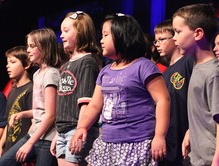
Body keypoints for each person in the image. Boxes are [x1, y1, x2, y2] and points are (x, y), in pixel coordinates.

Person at [69, 13, 170, 165]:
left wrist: (160, 136)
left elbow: (163, 100)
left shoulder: (143, 66)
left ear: (122, 35)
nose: (101, 41)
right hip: (107, 142)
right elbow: (95, 105)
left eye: (105, 35)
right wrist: (82, 127)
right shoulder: (106, 71)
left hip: (137, 142)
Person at [0, 28, 61, 166]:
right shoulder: (37, 74)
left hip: (46, 139)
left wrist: (30, 142)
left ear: (44, 47)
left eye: (31, 46)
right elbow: (40, 110)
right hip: (35, 134)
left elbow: (50, 115)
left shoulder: (51, 74)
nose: (28, 50)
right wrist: (21, 114)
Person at [50, 11, 102, 166]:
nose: (61, 35)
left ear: (80, 32)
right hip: (63, 131)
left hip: (77, 128)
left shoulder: (87, 62)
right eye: (61, 31)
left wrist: (80, 130)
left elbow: (86, 102)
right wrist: (57, 135)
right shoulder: (67, 64)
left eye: (66, 31)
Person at [172, 3, 219, 165]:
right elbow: (203, 111)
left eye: (178, 32)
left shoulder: (213, 73)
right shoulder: (196, 66)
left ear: (198, 33)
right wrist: (190, 131)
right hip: (196, 157)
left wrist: (216, 161)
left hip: (209, 159)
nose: (174, 37)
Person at [154, 19, 194, 166]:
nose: (157, 44)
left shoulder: (189, 62)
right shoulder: (164, 73)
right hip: (170, 138)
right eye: (155, 41)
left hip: (186, 134)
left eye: (162, 39)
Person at [0, 46, 33, 161]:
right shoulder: (12, 91)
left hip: (21, 150)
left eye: (12, 62)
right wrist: (0, 145)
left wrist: (27, 144)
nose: (7, 66)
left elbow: (34, 122)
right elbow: (8, 122)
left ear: (26, 65)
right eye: (7, 62)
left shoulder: (30, 90)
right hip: (9, 148)